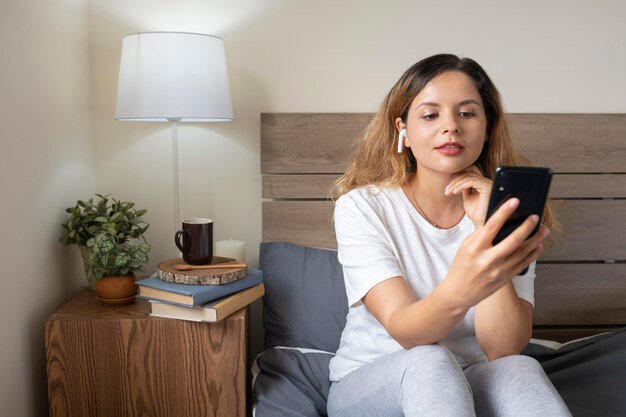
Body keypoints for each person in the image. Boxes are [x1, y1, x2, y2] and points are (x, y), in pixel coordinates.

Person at [326, 54, 571, 417]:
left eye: (467, 113)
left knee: (520, 367)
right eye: (430, 115)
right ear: (403, 130)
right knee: (430, 360)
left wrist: (489, 230)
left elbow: (503, 349)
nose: (451, 127)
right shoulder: (362, 207)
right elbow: (407, 333)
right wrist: (466, 281)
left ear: (487, 129)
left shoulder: (510, 213)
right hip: (373, 382)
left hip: (471, 377)